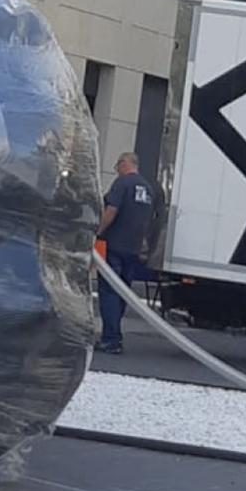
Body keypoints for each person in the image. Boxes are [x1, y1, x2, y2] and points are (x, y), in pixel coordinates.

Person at [94, 152, 156, 354]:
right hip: (134, 249)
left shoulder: (122, 184)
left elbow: (111, 211)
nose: (116, 170)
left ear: (124, 163)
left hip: (114, 246)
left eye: (117, 166)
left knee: (109, 292)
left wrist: (97, 233)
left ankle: (111, 338)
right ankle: (114, 334)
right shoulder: (148, 188)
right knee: (122, 293)